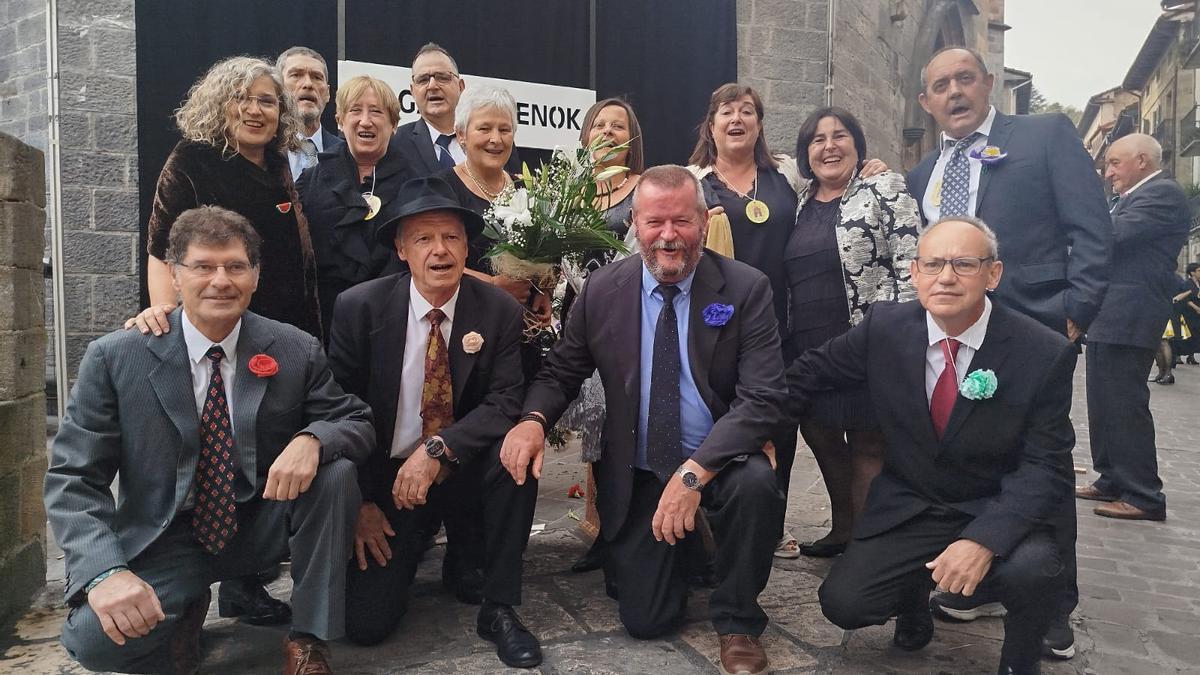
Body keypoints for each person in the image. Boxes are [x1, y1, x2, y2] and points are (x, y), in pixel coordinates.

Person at [46, 206, 374, 675]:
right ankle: (186, 602)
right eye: (203, 266)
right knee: (97, 643)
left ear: (255, 276)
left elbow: (354, 420)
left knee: (335, 472)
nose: (221, 281)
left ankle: (308, 638)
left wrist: (313, 438)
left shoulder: (294, 348)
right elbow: (73, 478)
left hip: (261, 520)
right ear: (175, 275)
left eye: (235, 266)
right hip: (169, 533)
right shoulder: (116, 358)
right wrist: (106, 573)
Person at [500, 165, 786, 675]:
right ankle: (691, 549)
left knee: (757, 485)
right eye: (655, 222)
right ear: (635, 223)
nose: (668, 236)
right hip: (643, 467)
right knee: (646, 619)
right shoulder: (603, 289)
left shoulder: (746, 288)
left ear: (703, 221)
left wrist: (694, 474)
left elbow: (762, 399)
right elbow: (561, 371)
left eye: (682, 221)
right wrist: (533, 420)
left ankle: (738, 619)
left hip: (718, 459)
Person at [787, 216, 1076, 674]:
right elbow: (805, 375)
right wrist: (752, 433)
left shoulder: (1042, 351)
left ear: (993, 274)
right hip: (914, 502)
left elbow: (1046, 466)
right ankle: (913, 598)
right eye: (933, 264)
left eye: (964, 264)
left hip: (995, 503)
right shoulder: (885, 328)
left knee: (1032, 570)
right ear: (914, 272)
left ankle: (1020, 659)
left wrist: (983, 540)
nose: (946, 277)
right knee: (845, 603)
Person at [907, 47, 1111, 656]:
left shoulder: (1044, 136)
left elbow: (1092, 228)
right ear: (925, 101)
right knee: (974, 452)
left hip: (1035, 327)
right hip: (957, 333)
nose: (955, 92)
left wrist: (1074, 314)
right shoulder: (924, 174)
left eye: (965, 79)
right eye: (941, 85)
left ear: (988, 83)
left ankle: (1051, 605)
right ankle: (986, 581)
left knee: (1042, 458)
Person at [327, 176, 542, 668]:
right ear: (401, 250)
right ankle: (423, 546)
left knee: (518, 455)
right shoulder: (359, 308)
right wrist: (360, 502)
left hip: (462, 466)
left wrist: (439, 449)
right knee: (367, 626)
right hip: (391, 480)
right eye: (423, 238)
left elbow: (505, 400)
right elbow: (337, 408)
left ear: (467, 247)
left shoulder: (497, 309)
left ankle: (499, 606)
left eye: (451, 237)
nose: (439, 250)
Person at [686, 83, 887, 559]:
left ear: (760, 124)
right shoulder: (692, 180)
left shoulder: (786, 174)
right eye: (726, 111)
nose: (737, 119)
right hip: (715, 327)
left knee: (780, 427)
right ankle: (708, 529)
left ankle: (769, 529)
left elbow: (830, 184)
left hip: (781, 327)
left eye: (747, 111)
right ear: (711, 125)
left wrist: (868, 169)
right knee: (714, 423)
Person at [785, 106, 920, 557]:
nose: (829, 146)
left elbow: (911, 262)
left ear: (858, 145)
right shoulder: (801, 200)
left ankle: (864, 551)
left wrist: (897, 330)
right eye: (817, 139)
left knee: (867, 443)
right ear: (806, 153)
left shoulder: (884, 186)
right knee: (820, 434)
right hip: (809, 346)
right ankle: (843, 529)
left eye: (839, 135)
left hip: (867, 341)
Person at [136, 56, 322, 340]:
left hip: (289, 332)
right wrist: (167, 324)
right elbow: (161, 250)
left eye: (266, 101)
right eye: (240, 98)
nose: (254, 110)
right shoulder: (191, 160)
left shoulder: (277, 161)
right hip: (220, 330)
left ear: (281, 111)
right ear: (218, 105)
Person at [1076, 134, 1189, 522]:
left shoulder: (1162, 194)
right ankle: (1112, 478)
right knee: (1103, 402)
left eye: (1114, 163)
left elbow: (1109, 236)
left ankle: (1143, 494)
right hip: (1111, 313)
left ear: (1142, 161)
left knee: (1123, 404)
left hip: (1131, 312)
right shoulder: (1132, 198)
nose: (1108, 173)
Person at [560, 97, 645, 574]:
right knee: (595, 434)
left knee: (623, 429)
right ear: (586, 135)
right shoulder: (571, 193)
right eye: (599, 125)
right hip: (580, 326)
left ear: (631, 140)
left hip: (627, 325)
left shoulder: (642, 189)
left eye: (618, 126)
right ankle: (604, 531)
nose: (608, 133)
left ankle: (627, 533)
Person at [297, 75, 408, 334]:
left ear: (393, 124)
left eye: (376, 112)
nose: (365, 121)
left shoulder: (415, 184)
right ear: (340, 121)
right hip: (324, 323)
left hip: (393, 319)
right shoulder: (310, 181)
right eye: (355, 110)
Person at [277, 46, 343, 182]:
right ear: (278, 87)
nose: (308, 84)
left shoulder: (346, 154)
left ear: (328, 93)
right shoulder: (261, 150)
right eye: (296, 75)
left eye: (317, 77)